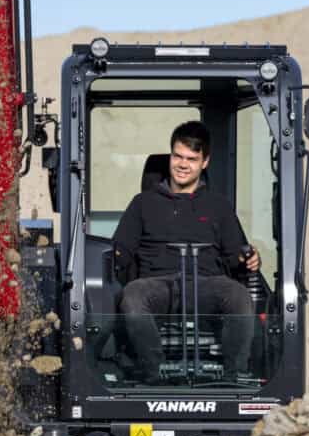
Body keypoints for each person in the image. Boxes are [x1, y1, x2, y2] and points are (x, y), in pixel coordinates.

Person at [112, 121, 261, 384]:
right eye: (178, 156)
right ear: (170, 156)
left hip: (207, 285)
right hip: (158, 285)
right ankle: (153, 374)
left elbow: (235, 255)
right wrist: (113, 258)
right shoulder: (142, 203)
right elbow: (120, 251)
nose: (183, 164)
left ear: (204, 163)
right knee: (133, 297)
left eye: (192, 159)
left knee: (238, 296)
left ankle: (232, 377)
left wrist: (246, 259)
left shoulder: (219, 206)